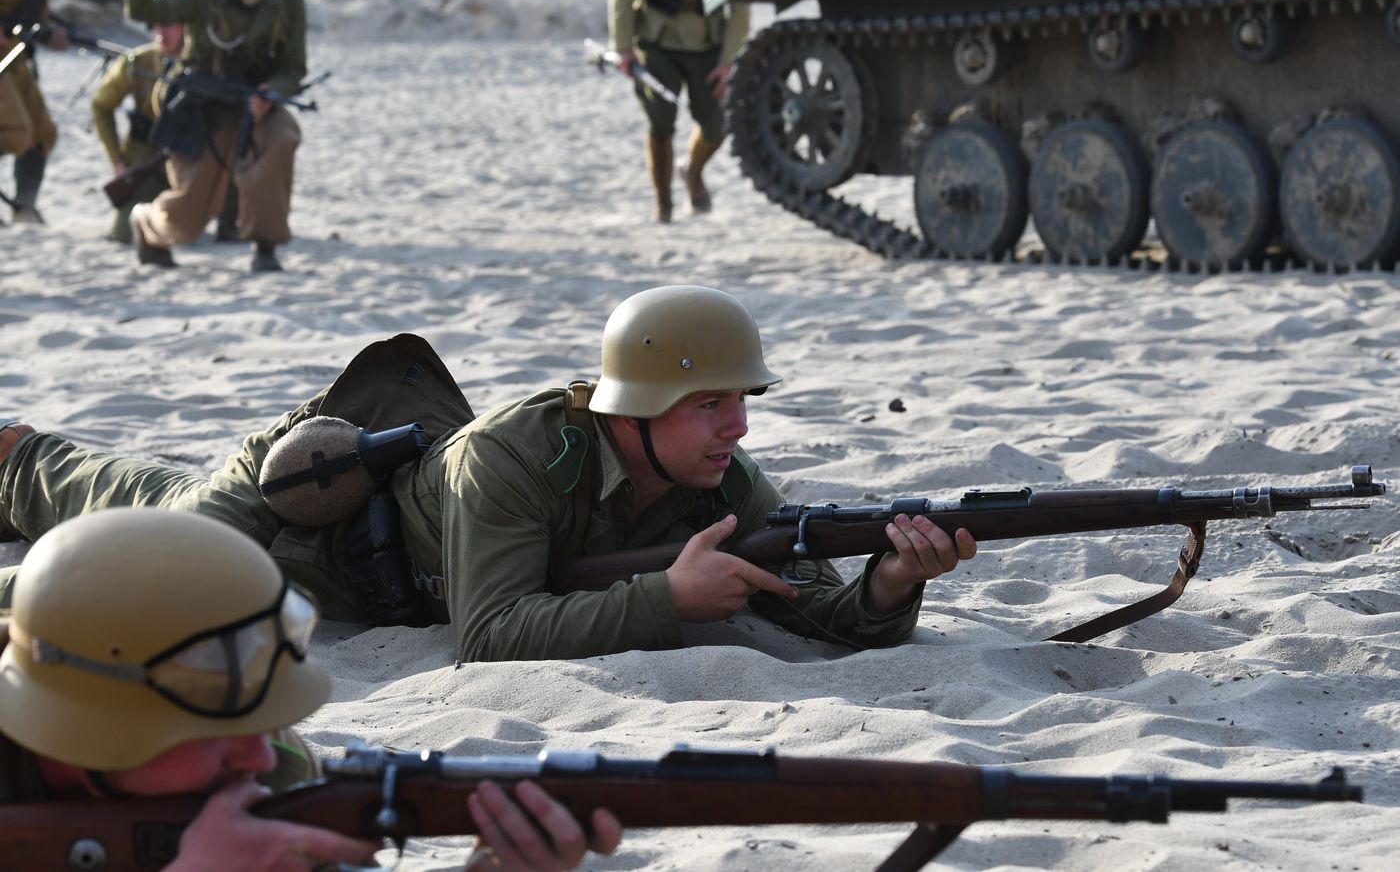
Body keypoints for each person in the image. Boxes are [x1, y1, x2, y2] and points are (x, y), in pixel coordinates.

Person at [0, 286, 976, 663]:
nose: (738, 425)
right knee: (152, 557)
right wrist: (665, 599)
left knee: (145, 512)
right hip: (310, 499)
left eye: (740, 400)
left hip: (391, 568)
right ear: (635, 408)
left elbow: (816, 609)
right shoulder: (513, 456)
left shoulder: (721, 475)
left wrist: (890, 583)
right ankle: (19, 462)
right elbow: (490, 634)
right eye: (710, 403)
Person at [0, 507, 624, 871]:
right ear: (91, 727)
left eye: (261, 722)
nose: (258, 755)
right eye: (216, 734)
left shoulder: (274, 774)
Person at [123, 0, 305, 272]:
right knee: (187, 219)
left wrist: (271, 93)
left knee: (281, 136)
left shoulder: (287, 1)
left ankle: (264, 245)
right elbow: (145, 11)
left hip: (256, 102)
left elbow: (293, 67)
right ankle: (146, 223)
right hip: (204, 108)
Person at [607, 0, 749, 223]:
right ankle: (663, 203)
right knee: (660, 118)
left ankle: (692, 172)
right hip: (657, 39)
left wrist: (727, 61)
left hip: (708, 42)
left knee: (715, 125)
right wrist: (622, 47)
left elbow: (741, 0)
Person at [91, 22, 182, 244]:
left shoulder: (206, 62)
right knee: (125, 234)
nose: (161, 32)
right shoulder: (138, 60)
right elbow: (101, 105)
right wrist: (117, 161)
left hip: (192, 162)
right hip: (148, 160)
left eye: (170, 25)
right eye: (157, 24)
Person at [0, 0, 66, 225]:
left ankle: (24, 209)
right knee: (17, 132)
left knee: (42, 135)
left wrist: (51, 32)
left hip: (14, 55)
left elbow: (37, 9)